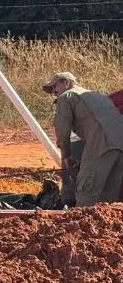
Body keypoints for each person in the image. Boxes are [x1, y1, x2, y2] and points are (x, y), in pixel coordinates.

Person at [45, 72, 123, 206]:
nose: (53, 92)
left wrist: (66, 156)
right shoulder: (99, 96)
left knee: (86, 193)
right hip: (119, 147)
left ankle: (80, 226)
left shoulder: (66, 97)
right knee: (108, 200)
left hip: (99, 145)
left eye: (54, 87)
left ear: (66, 83)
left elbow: (62, 129)